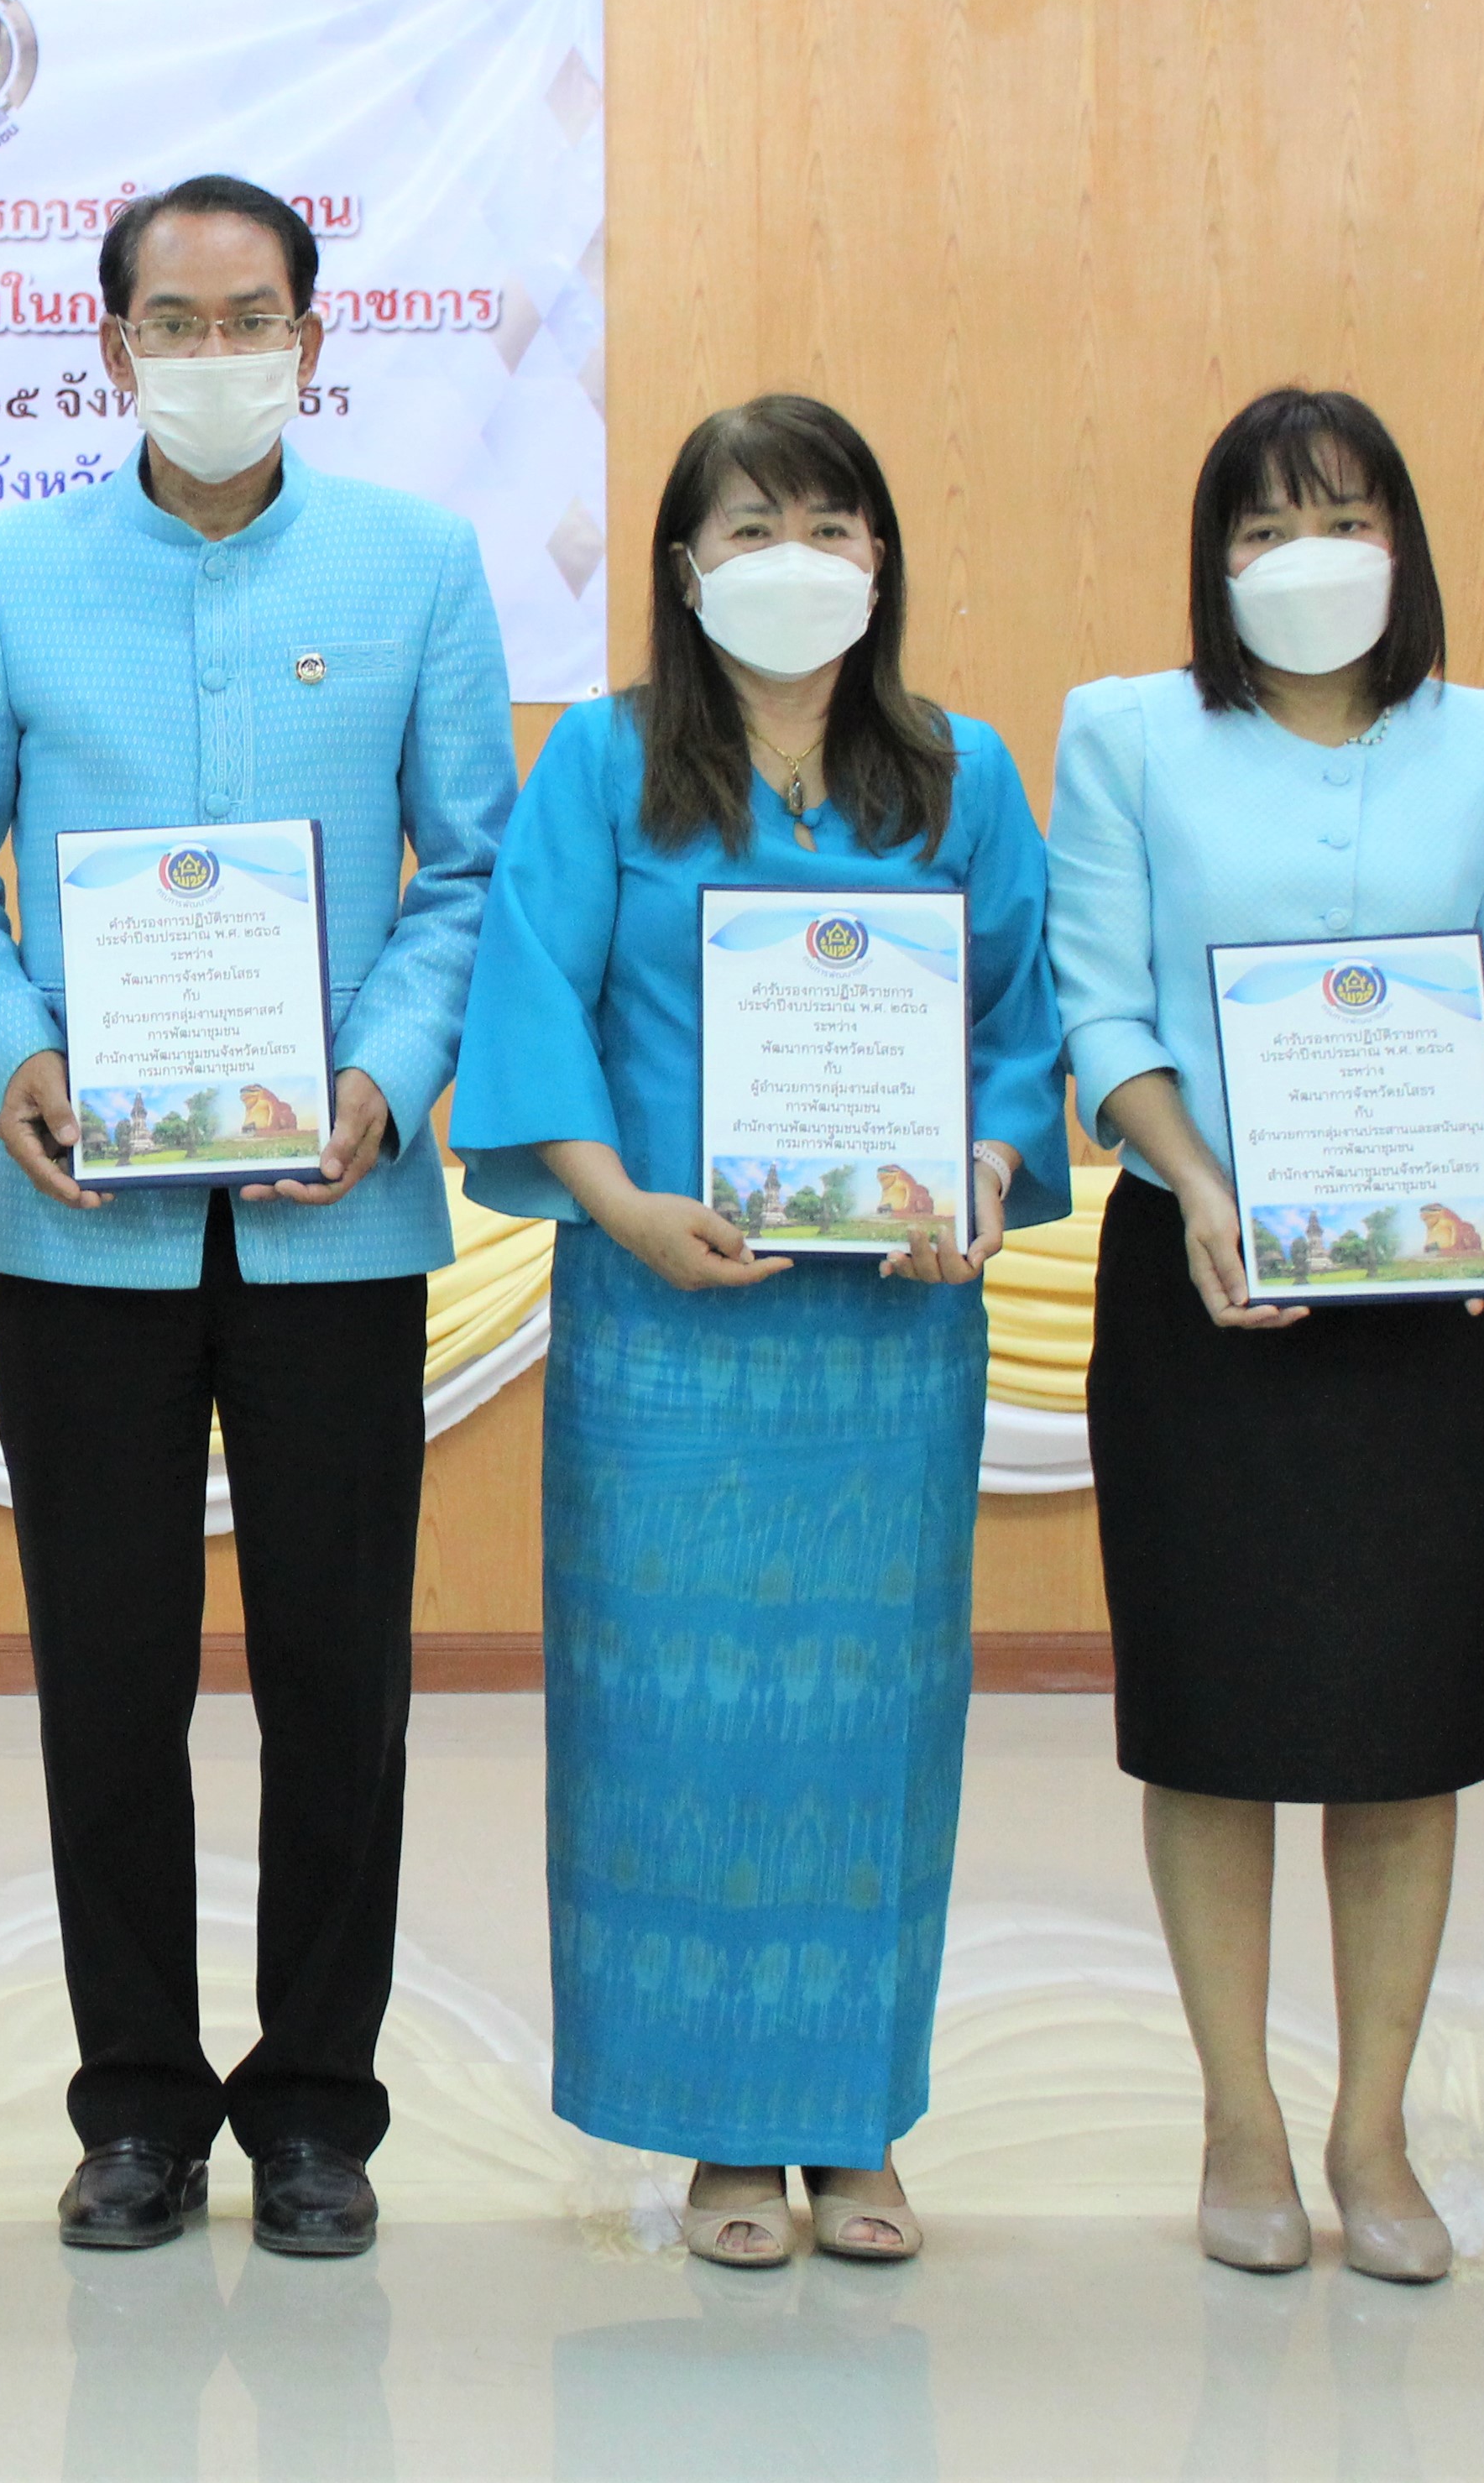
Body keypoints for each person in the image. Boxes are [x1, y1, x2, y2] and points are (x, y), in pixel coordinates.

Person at [0, 175, 511, 2260]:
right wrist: (16, 1058)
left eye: (254, 316)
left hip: (341, 1221)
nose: (217, 350)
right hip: (86, 1227)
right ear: (112, 346)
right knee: (110, 1678)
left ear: (314, 338)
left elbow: (464, 865)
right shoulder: (8, 574)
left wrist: (385, 1069)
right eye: (176, 317)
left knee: (343, 1676)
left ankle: (322, 2106)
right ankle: (138, 2103)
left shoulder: (421, 570)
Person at [450, 395, 1066, 2268]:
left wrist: (978, 1169)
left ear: (880, 558)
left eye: (831, 521)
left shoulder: (962, 772)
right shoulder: (606, 767)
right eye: (750, 526)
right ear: (681, 568)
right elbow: (532, 991)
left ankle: (855, 2114)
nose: (792, 557)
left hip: (888, 1340)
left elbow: (1023, 1027)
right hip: (664, 1327)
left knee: (871, 1719)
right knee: (674, 1719)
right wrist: (621, 1202)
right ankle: (725, 2126)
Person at [1049, 388, 1484, 2284]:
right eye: (1265, 528)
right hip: (1205, 1282)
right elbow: (1104, 1010)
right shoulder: (1125, 732)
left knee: (1405, 1725)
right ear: (1215, 559)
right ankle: (1240, 2115)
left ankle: (1372, 2123)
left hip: (1428, 1294)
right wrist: (1194, 1180)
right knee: (1213, 1718)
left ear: (1406, 541)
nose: (1309, 556)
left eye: (1345, 513)